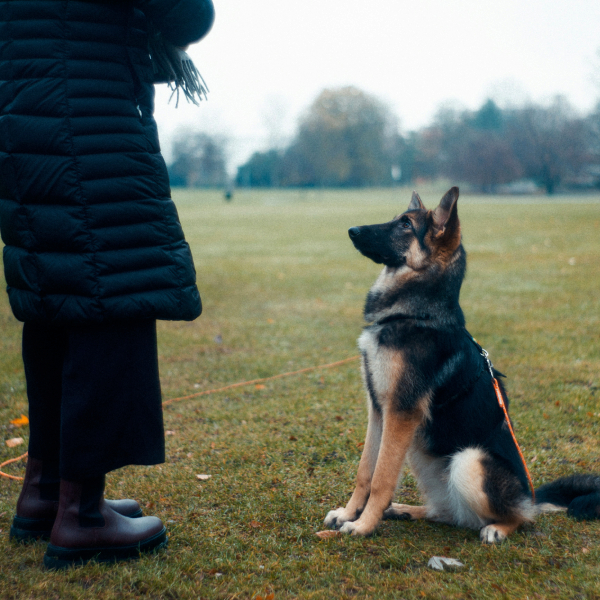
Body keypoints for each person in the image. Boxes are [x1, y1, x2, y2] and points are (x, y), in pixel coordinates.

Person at [0, 0, 214, 568]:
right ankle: (84, 514)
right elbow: (187, 14)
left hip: (22, 108)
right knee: (113, 290)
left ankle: (46, 491)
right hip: (87, 114)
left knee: (59, 291)